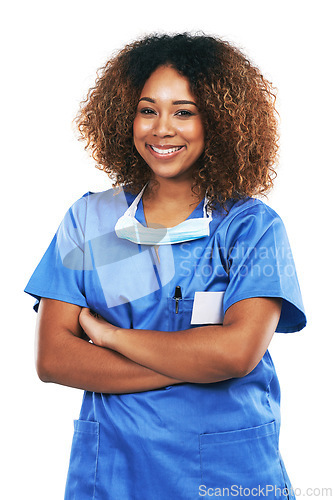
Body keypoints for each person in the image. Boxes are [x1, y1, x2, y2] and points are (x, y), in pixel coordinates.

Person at [24, 33, 306, 499]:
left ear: (219, 122)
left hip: (226, 474)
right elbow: (54, 358)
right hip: (113, 471)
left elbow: (236, 354)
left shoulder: (251, 228)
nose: (162, 129)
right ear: (125, 117)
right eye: (147, 109)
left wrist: (113, 339)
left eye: (184, 112)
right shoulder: (90, 220)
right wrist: (194, 362)